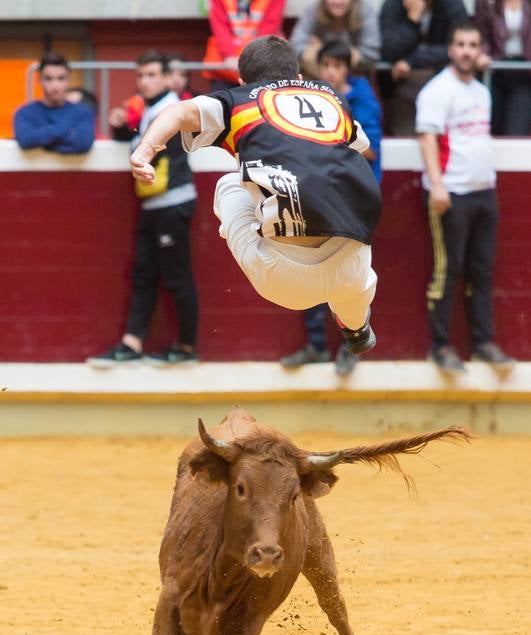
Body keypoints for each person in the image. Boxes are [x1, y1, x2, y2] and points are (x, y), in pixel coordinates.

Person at [130, 36, 382, 364]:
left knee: (230, 183)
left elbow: (178, 112)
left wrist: (146, 150)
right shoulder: (331, 96)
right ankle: (356, 327)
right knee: (357, 279)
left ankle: (251, 226)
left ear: (242, 81)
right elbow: (361, 146)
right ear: (299, 79)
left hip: (283, 279)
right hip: (353, 266)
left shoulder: (238, 100)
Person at [87, 50, 199, 367]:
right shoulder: (154, 109)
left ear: (166, 77)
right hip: (156, 203)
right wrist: (123, 128)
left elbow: (149, 149)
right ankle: (133, 342)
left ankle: (188, 347)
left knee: (175, 277)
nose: (145, 82)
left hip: (172, 202)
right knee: (145, 274)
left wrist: (130, 130)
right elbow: (140, 143)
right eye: (141, 76)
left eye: (152, 75)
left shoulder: (173, 109)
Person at [416, 20, 514, 372]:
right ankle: (440, 347)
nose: (467, 51)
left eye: (473, 45)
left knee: (482, 271)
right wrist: (438, 186)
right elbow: (427, 139)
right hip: (451, 193)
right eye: (461, 44)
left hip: (483, 192)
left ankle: (483, 342)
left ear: (479, 50)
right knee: (448, 270)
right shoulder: (436, 91)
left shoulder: (481, 91)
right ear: (450, 48)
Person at [280, 39, 382, 375]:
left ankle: (350, 348)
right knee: (311, 267)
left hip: (353, 201)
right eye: (327, 66)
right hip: (319, 196)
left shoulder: (361, 98)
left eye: (338, 66)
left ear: (346, 70)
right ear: (320, 68)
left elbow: (370, 151)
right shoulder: (313, 97)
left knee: (350, 278)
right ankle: (317, 344)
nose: (332, 72)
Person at [379, 0, 468, 135]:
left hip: (442, 82)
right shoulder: (393, 4)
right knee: (405, 139)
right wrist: (413, 19)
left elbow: (457, 47)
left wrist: (411, 61)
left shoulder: (452, 4)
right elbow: (388, 50)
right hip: (400, 84)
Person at [13, 53, 95, 154]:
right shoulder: (25, 113)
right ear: (39, 80)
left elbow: (83, 143)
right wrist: (65, 130)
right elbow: (26, 140)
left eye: (61, 78)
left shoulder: (83, 113)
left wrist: (46, 144)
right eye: (48, 78)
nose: (55, 86)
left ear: (68, 80)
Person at [475, 0, 531, 135]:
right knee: (489, 128)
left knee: (517, 130)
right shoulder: (487, 3)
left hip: (525, 72)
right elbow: (481, 34)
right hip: (494, 70)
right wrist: (482, 54)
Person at [203, 0, 286, 91]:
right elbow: (220, 27)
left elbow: (269, 26)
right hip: (225, 69)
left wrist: (252, 58)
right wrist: (229, 55)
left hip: (260, 66)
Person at [290, 0, 380, 79]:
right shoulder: (313, 8)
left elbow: (370, 54)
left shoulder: (364, 9)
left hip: (353, 78)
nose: (337, 2)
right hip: (314, 79)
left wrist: (323, 49)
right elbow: (295, 47)